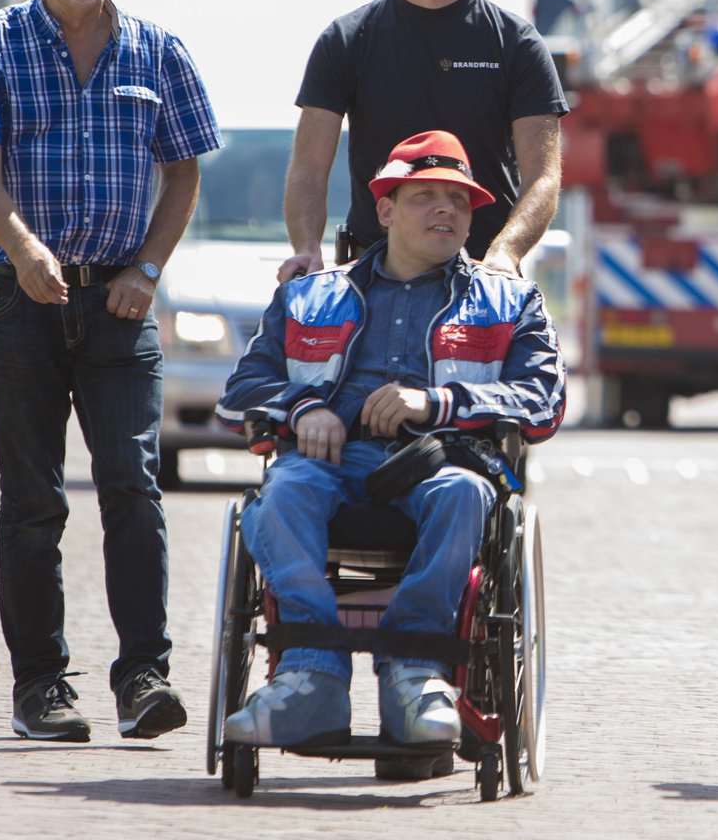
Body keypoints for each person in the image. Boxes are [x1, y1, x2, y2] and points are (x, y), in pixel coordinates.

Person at [0, 0, 222, 743]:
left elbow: (184, 171)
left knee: (133, 485)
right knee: (33, 501)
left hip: (119, 303)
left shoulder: (159, 50)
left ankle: (144, 679)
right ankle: (41, 688)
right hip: (17, 295)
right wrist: (25, 251)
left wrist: (147, 269)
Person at [215, 130, 564, 759]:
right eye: (425, 196)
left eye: (459, 200)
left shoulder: (511, 300)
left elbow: (543, 401)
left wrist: (438, 403)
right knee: (282, 491)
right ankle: (311, 677)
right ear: (385, 210)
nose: (445, 209)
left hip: (441, 463)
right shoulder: (308, 295)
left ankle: (415, 671)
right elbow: (240, 392)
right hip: (326, 462)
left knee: (463, 494)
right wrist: (306, 407)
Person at [279, 0, 568, 281]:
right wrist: (306, 249)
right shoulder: (346, 40)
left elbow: (543, 177)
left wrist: (505, 255)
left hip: (484, 280)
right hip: (370, 279)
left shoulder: (517, 44)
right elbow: (308, 168)